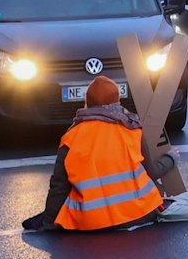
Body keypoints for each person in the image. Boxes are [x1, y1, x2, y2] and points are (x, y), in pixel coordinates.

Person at [23, 76, 172, 232]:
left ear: (87, 103)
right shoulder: (132, 130)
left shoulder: (71, 137)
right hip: (141, 213)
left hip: (91, 222)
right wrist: (170, 158)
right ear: (117, 102)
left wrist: (49, 222)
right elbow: (151, 172)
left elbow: (59, 187)